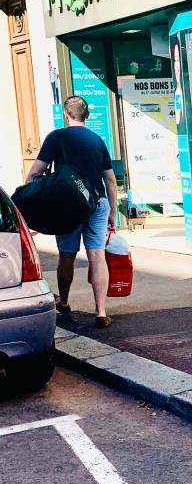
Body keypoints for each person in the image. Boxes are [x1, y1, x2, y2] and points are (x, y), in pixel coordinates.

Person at [25, 96, 118, 328]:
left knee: (67, 255)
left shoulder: (56, 137)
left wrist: (28, 199)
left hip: (68, 204)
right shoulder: (97, 140)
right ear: (87, 115)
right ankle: (101, 312)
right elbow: (110, 180)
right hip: (96, 203)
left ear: (66, 115)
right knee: (97, 255)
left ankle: (64, 302)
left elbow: (36, 171)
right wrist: (112, 212)